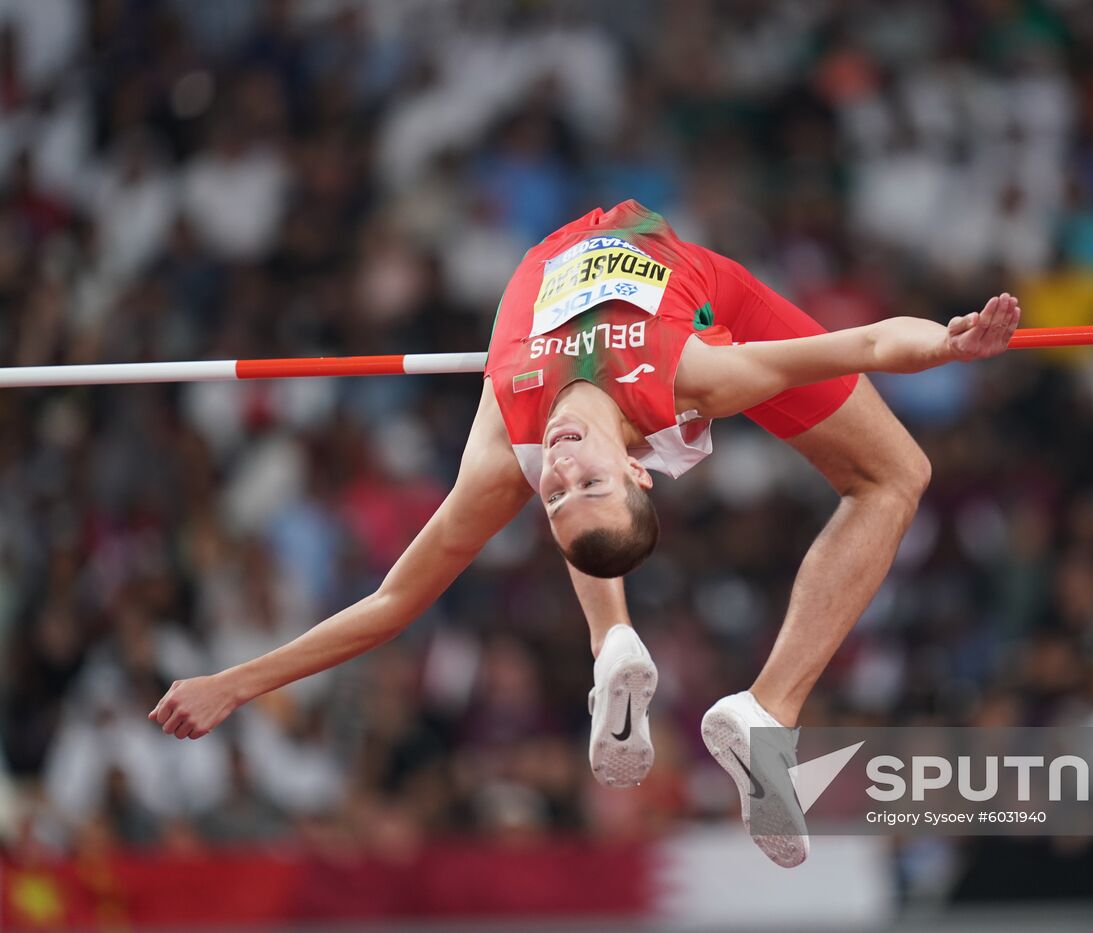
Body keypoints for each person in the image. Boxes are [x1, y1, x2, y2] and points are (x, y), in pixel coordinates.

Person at [149, 200, 1021, 867]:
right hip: (698, 292)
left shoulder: (510, 448)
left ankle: (618, 645)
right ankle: (760, 710)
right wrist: (950, 343)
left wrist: (235, 682)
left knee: (563, 497)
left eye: (558, 494)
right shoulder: (697, 374)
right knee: (896, 475)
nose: (563, 470)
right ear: (642, 466)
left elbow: (390, 602)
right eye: (588, 482)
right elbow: (866, 341)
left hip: (567, 270)